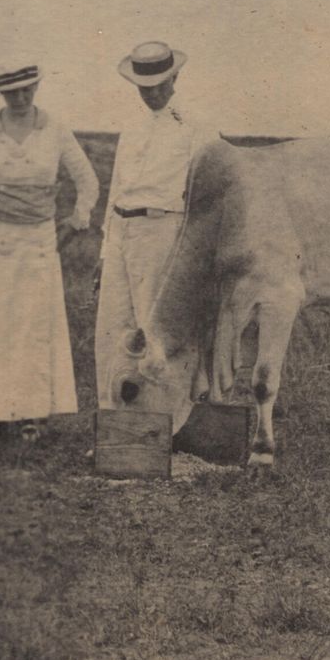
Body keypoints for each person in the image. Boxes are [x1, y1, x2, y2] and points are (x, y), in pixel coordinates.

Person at [0, 63, 99, 446]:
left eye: (27, 90)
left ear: (36, 86)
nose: (20, 98)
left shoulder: (54, 128)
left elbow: (88, 181)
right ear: (0, 93)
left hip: (38, 240)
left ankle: (31, 417)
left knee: (32, 327)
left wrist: (76, 222)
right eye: (11, 92)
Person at [95, 42, 223, 430]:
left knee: (157, 337)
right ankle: (114, 428)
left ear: (174, 78)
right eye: (143, 87)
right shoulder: (131, 127)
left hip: (164, 231)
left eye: (157, 85)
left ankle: (162, 429)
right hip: (122, 231)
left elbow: (209, 195)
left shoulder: (197, 126)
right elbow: (116, 191)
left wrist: (193, 254)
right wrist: (105, 251)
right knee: (113, 331)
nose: (150, 93)